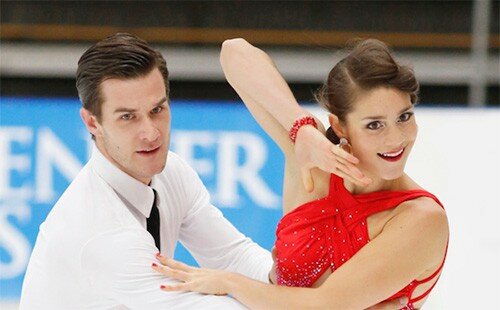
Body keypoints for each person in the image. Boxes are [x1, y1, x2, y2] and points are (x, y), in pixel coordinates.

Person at [152, 38, 449, 309]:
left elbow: (324, 305)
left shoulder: (421, 219)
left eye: (404, 116)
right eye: (374, 124)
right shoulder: (315, 164)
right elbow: (233, 52)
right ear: (341, 126)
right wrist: (302, 127)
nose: (396, 138)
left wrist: (230, 283)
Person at [19, 33, 276, 309]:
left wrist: (282, 275)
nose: (151, 134)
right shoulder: (101, 234)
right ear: (92, 123)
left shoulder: (171, 173)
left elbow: (232, 256)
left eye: (157, 110)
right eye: (128, 117)